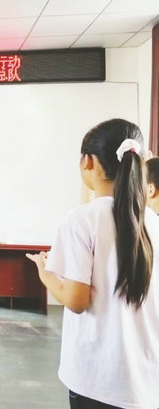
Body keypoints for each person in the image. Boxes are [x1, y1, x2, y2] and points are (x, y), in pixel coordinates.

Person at [26, 118, 159, 409]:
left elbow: (76, 300)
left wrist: (45, 274)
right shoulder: (152, 221)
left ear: (88, 161)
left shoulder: (81, 221)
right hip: (148, 381)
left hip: (97, 379)